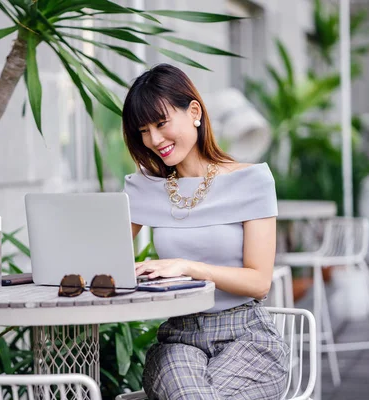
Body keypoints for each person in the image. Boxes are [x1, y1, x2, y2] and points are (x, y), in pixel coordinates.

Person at [121, 64, 289, 399]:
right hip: (179, 338)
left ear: (194, 111)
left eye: (161, 123)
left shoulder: (250, 181)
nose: (154, 140)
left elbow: (259, 282)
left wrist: (186, 267)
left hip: (248, 337)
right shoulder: (145, 189)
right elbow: (104, 261)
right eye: (143, 130)